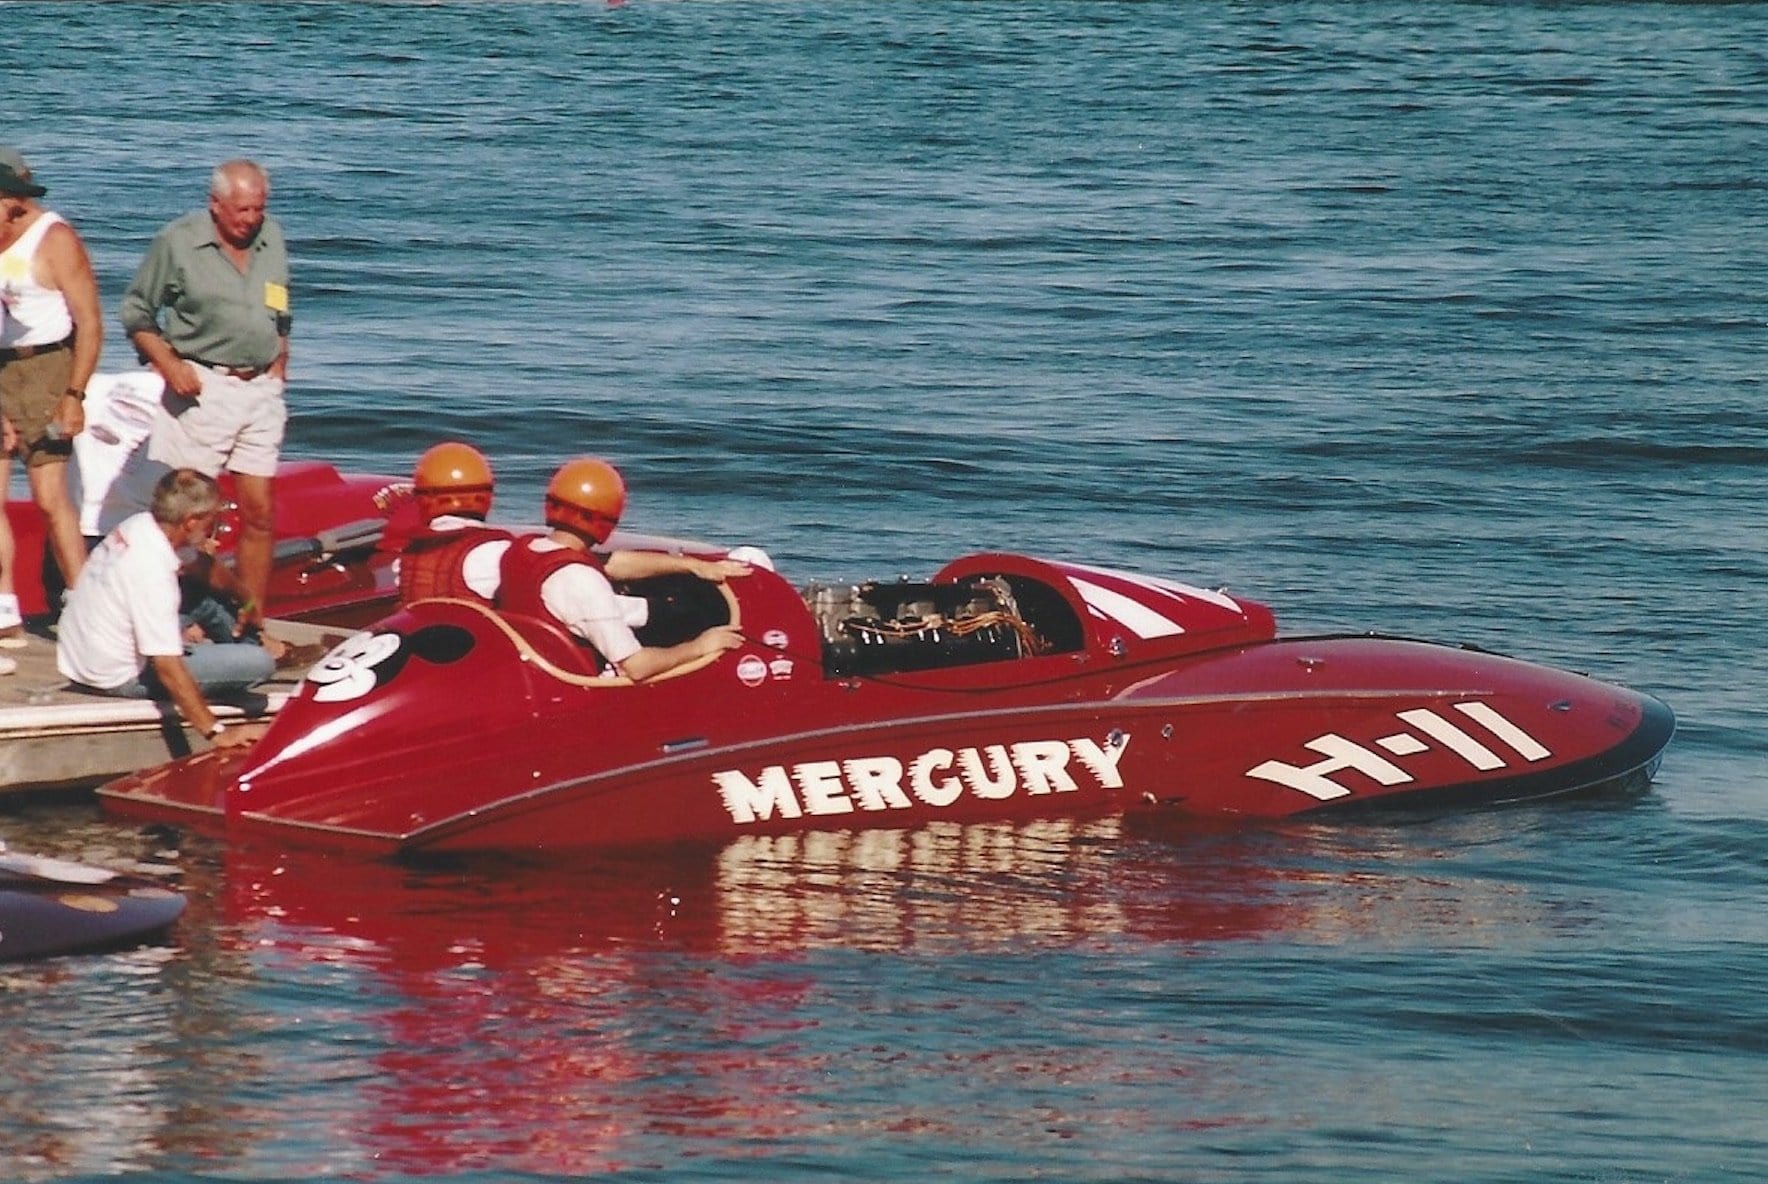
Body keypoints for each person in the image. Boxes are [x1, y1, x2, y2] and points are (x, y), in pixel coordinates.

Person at [119, 159, 289, 635]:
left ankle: (250, 619)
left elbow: (279, 302)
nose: (250, 219)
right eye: (240, 210)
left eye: (258, 208)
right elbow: (135, 310)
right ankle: (178, 616)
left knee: (259, 511)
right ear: (215, 204)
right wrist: (169, 364)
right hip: (201, 388)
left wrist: (281, 358)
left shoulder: (271, 236)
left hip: (261, 388)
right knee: (192, 514)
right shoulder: (178, 241)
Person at [57, 468, 271, 748]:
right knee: (259, 662)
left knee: (197, 593)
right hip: (118, 676)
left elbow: (203, 566)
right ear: (191, 522)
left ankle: (239, 642)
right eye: (213, 519)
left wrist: (248, 599)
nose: (216, 526)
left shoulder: (142, 525)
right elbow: (167, 668)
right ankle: (246, 650)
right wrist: (217, 732)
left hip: (83, 657)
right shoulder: (152, 571)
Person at [496, 457, 749, 681]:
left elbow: (611, 563)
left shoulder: (521, 551)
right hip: (583, 690)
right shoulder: (581, 581)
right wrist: (701, 645)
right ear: (607, 520)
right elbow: (636, 667)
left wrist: (691, 565)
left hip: (534, 673)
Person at [0, 147, 102, 646]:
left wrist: (74, 394)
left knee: (48, 498)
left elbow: (90, 323)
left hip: (46, 366)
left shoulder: (54, 239)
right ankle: (4, 614)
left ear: (12, 201)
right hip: (0, 367)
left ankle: (85, 608)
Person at [396, 442, 512, 604]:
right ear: (485, 496)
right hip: (472, 629)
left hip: (422, 629)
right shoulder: (498, 552)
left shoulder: (406, 556)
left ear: (423, 498)